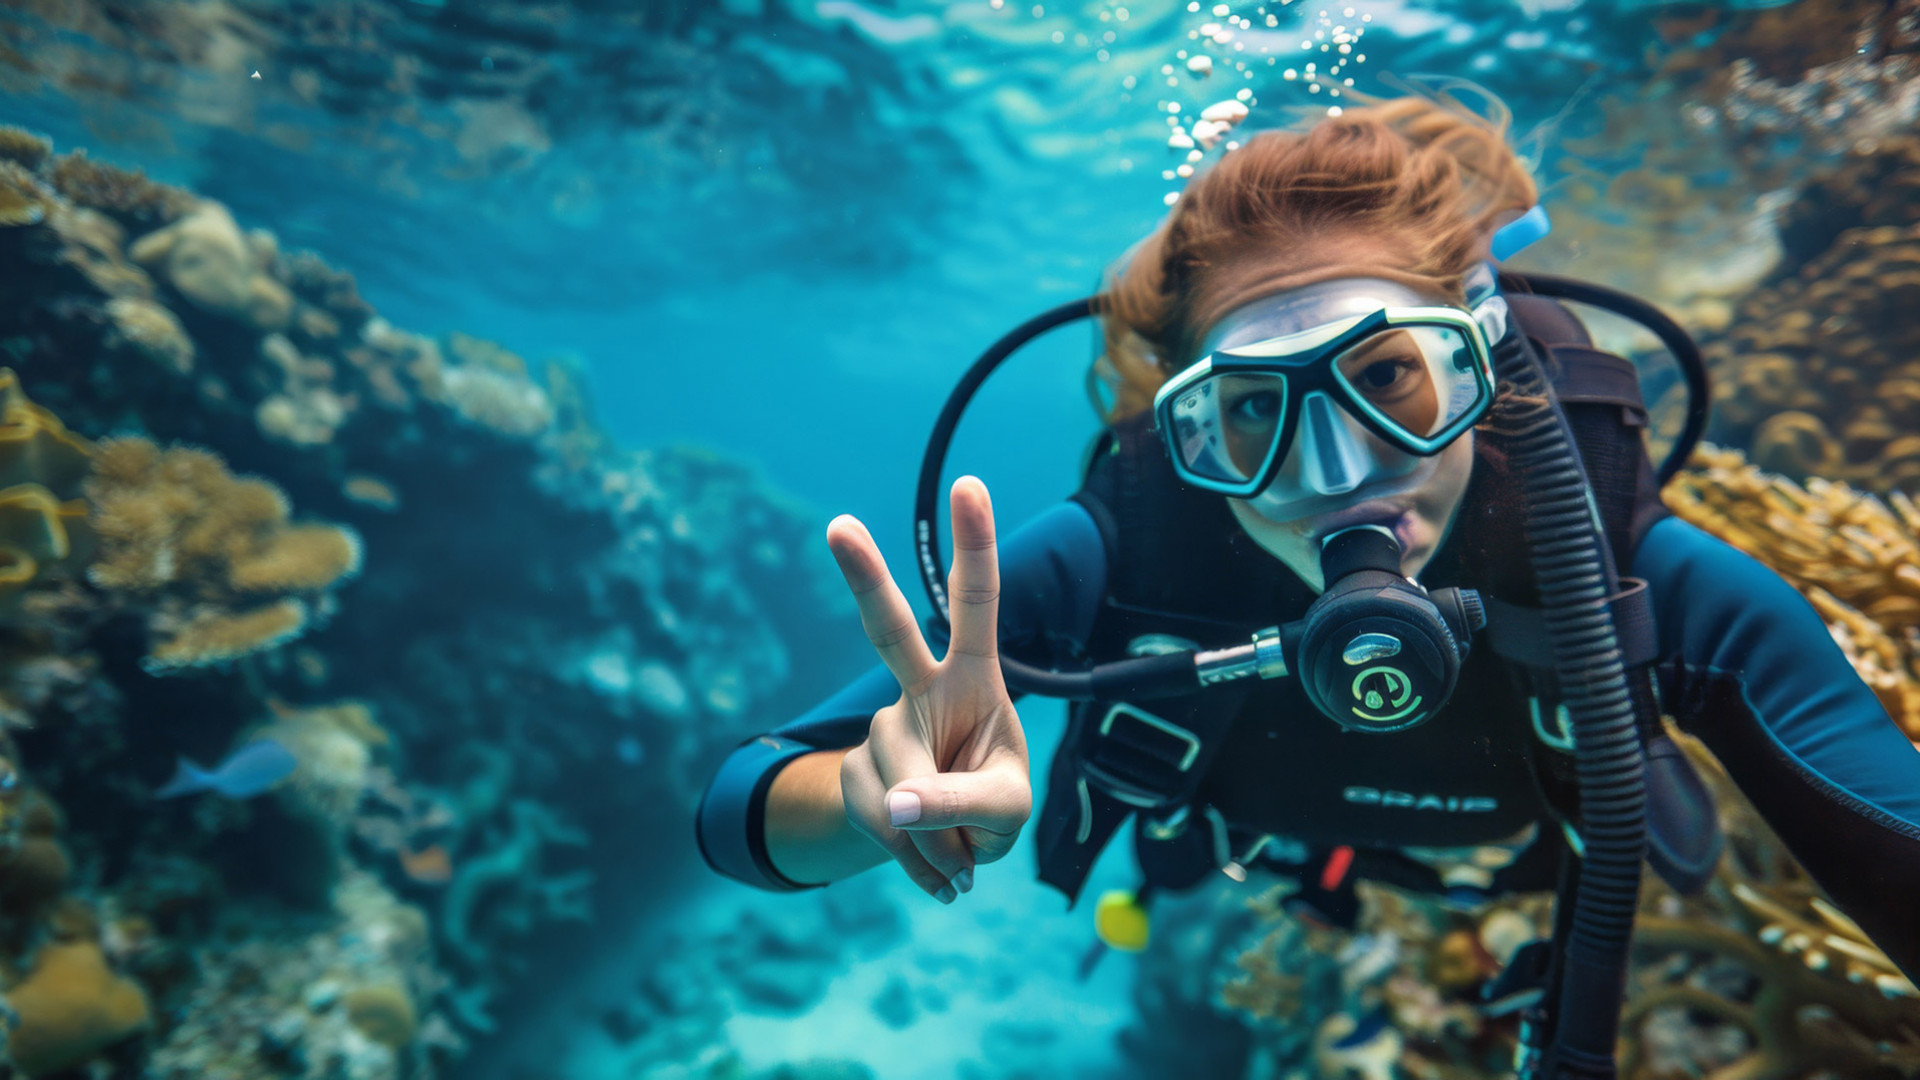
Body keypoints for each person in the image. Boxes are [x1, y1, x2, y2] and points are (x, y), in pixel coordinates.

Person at [694, 87, 1920, 1063]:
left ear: (1476, 368)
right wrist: (867, 800)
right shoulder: (1133, 541)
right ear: (1186, 428)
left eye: (1386, 378)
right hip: (1254, 853)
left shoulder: (1602, 554)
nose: (1337, 474)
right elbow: (735, 809)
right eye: (1250, 411)